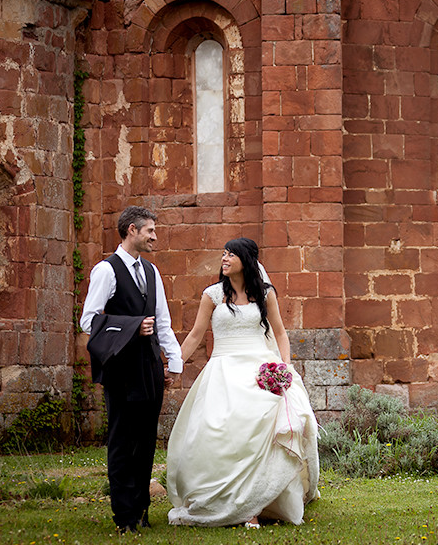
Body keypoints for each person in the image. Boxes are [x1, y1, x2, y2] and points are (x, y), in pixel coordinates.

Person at [167, 238, 319, 528]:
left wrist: (284, 367)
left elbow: (280, 333)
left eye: (231, 254)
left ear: (246, 260)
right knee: (220, 433)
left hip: (259, 371)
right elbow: (196, 334)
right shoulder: (212, 295)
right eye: (223, 254)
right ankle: (223, 500)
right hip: (222, 373)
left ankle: (255, 506)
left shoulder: (265, 294)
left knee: (257, 434)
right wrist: (174, 365)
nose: (224, 259)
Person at [79, 206, 183, 533]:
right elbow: (88, 320)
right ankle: (124, 516)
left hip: (149, 366)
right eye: (150, 230)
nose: (155, 236)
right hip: (121, 369)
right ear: (132, 230)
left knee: (146, 440)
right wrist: (133, 326)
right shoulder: (106, 270)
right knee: (123, 441)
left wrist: (173, 361)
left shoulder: (152, 271)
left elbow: (162, 322)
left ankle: (141, 511)